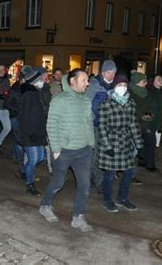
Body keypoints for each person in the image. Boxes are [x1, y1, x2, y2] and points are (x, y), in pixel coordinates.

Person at [39, 69, 95, 232]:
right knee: (58, 183)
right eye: (84, 80)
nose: (87, 83)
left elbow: (88, 123)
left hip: (83, 151)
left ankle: (78, 216)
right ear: (73, 82)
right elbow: (51, 125)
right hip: (63, 151)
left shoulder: (86, 101)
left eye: (87, 80)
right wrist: (56, 149)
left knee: (84, 186)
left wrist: (91, 143)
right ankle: (45, 205)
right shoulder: (59, 100)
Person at [97, 75, 144, 213]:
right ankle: (107, 200)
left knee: (129, 172)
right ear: (114, 87)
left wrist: (139, 145)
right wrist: (107, 147)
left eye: (124, 85)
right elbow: (102, 127)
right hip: (111, 143)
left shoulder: (130, 103)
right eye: (119, 85)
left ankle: (122, 198)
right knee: (110, 176)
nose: (122, 87)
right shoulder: (106, 104)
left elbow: (133, 124)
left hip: (125, 143)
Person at [85, 59, 117, 191]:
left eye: (114, 72)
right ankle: (99, 181)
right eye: (110, 72)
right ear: (103, 72)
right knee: (95, 153)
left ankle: (99, 177)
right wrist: (92, 119)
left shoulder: (113, 86)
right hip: (94, 124)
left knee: (105, 152)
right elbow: (87, 104)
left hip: (107, 125)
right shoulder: (94, 84)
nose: (112, 75)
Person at [18, 68, 48, 196]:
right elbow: (25, 117)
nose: (42, 81)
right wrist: (31, 134)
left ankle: (24, 172)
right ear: (34, 81)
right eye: (40, 79)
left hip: (38, 132)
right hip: (29, 133)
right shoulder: (28, 95)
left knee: (41, 157)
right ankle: (29, 184)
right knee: (33, 158)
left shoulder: (36, 92)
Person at [129, 72, 159, 172]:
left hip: (146, 122)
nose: (145, 83)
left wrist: (149, 116)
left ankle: (149, 163)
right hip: (134, 124)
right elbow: (133, 109)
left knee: (150, 142)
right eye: (143, 81)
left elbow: (151, 106)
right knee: (134, 147)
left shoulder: (145, 92)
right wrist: (142, 116)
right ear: (137, 82)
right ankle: (133, 167)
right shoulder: (129, 93)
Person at [149, 75, 162, 149]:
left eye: (161, 79)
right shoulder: (150, 93)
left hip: (159, 119)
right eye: (158, 79)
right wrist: (148, 120)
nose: (161, 80)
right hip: (151, 120)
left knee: (156, 141)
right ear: (153, 82)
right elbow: (147, 107)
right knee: (150, 142)